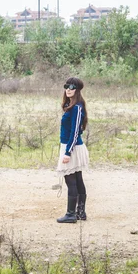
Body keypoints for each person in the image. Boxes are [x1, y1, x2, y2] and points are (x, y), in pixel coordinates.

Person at [56, 77, 89, 224]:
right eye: (66, 86)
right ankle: (80, 213)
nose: (68, 89)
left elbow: (75, 132)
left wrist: (68, 152)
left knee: (71, 181)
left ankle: (71, 214)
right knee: (77, 179)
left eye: (72, 87)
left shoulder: (77, 107)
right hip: (71, 146)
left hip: (72, 147)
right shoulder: (72, 105)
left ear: (77, 89)